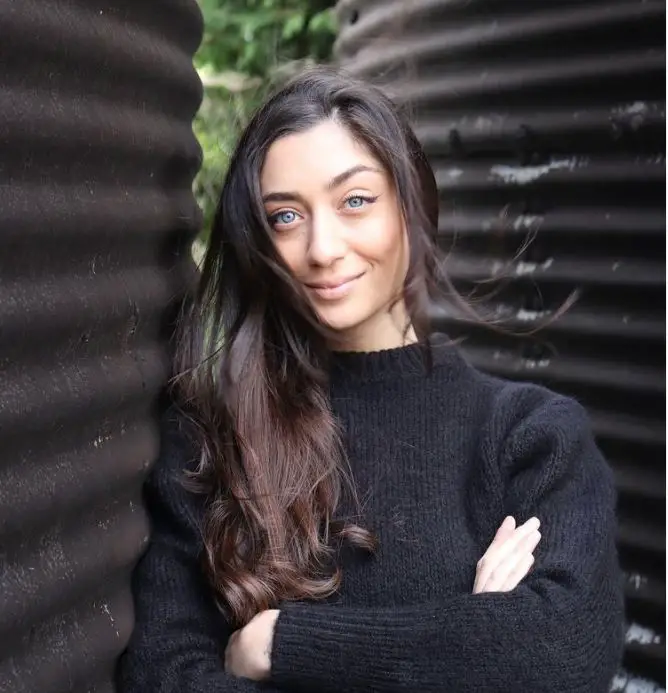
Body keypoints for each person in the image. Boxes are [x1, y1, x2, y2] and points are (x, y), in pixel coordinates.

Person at [117, 67, 625, 692]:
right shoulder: (211, 441)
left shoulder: (531, 438)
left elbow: (564, 655)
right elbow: (166, 677)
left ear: (411, 207)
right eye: (285, 216)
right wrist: (470, 640)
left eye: (355, 201)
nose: (323, 247)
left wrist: (279, 644)